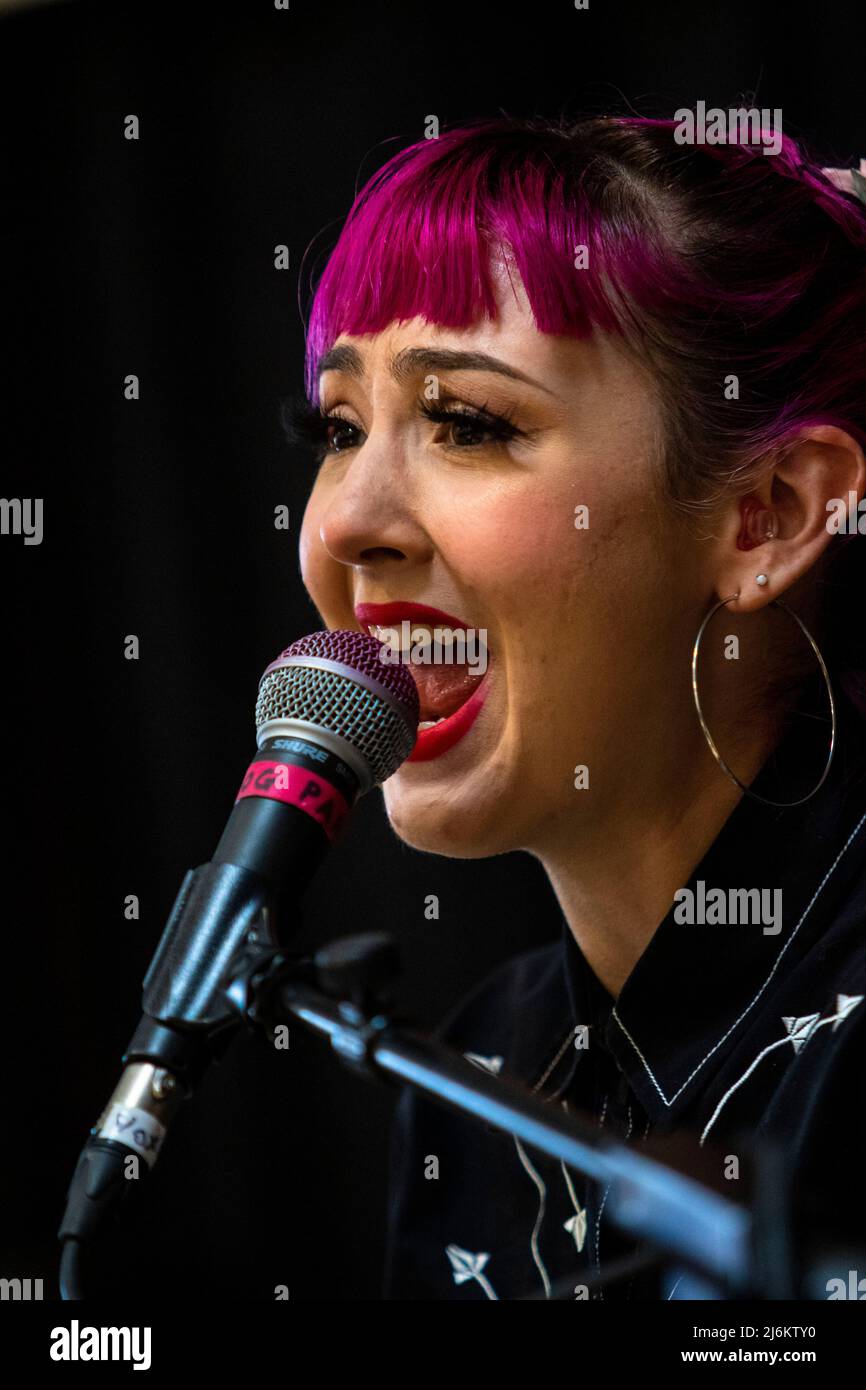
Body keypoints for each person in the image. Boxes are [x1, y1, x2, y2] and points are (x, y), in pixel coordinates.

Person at [286, 113, 866, 1299]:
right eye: (339, 429)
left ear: (769, 514)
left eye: (465, 423)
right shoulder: (476, 1076)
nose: (344, 521)